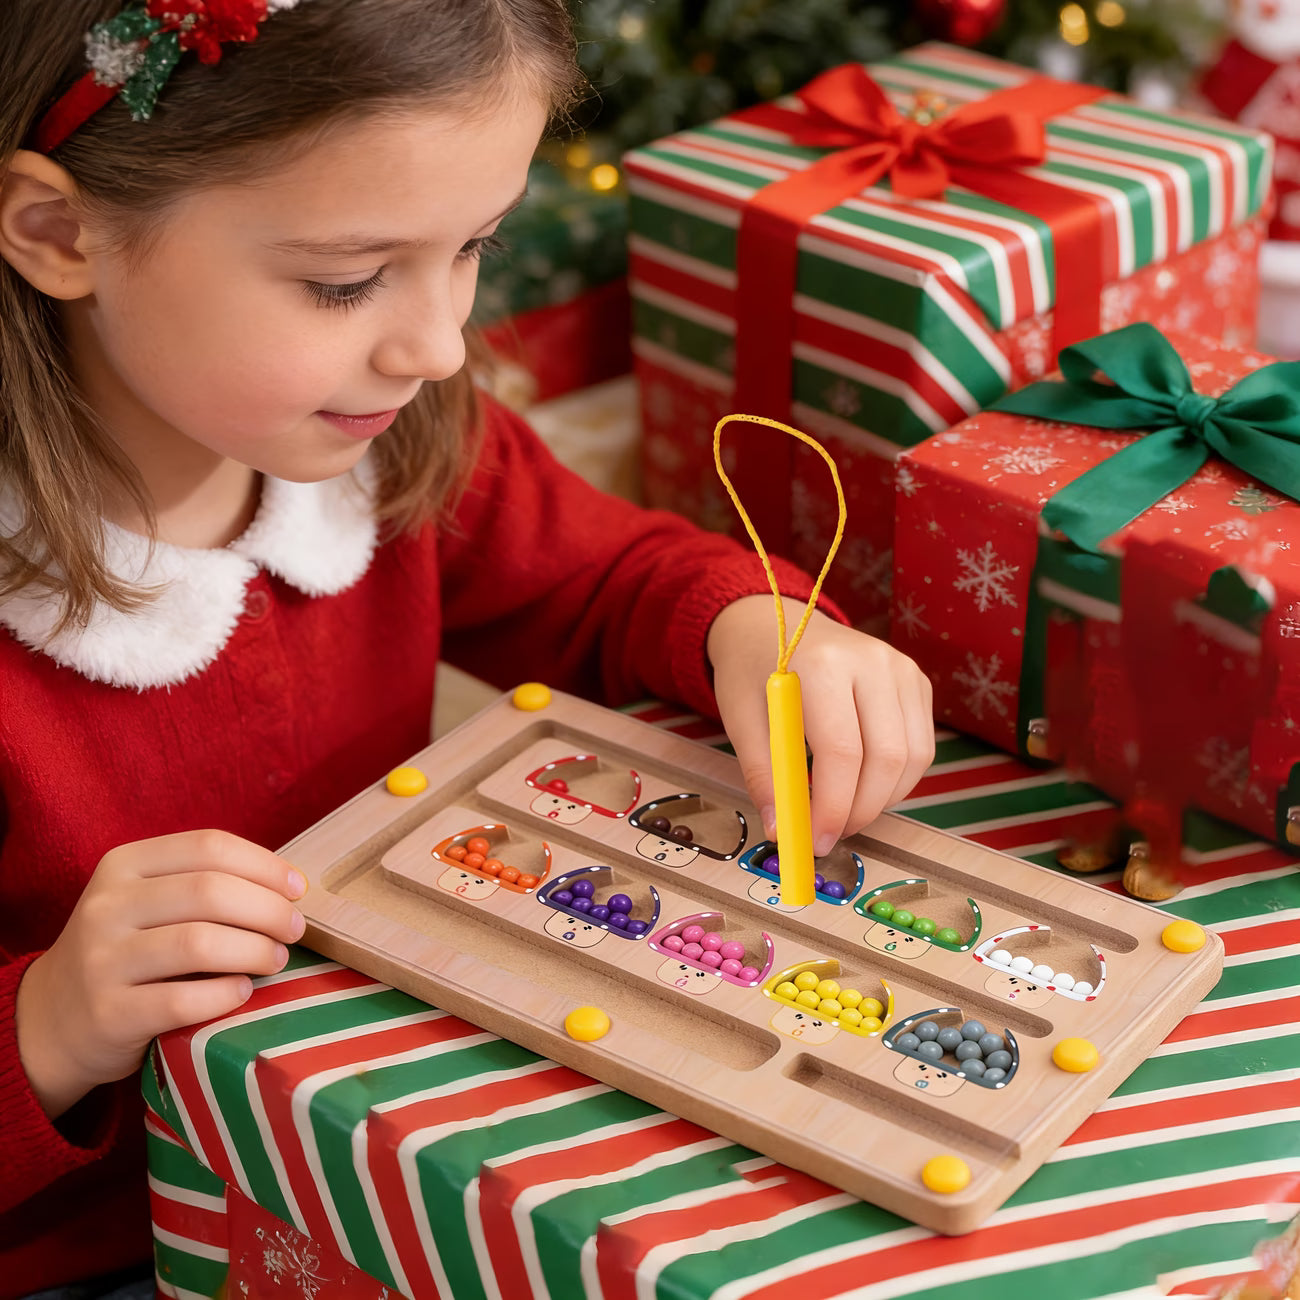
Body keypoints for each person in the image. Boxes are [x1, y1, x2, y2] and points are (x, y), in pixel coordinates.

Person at [0, 0, 935, 1292]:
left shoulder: (385, 445)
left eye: (474, 249)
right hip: (106, 1246)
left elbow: (610, 577)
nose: (439, 346)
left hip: (409, 1152)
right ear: (60, 232)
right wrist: (49, 1022)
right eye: (344, 278)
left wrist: (754, 623)